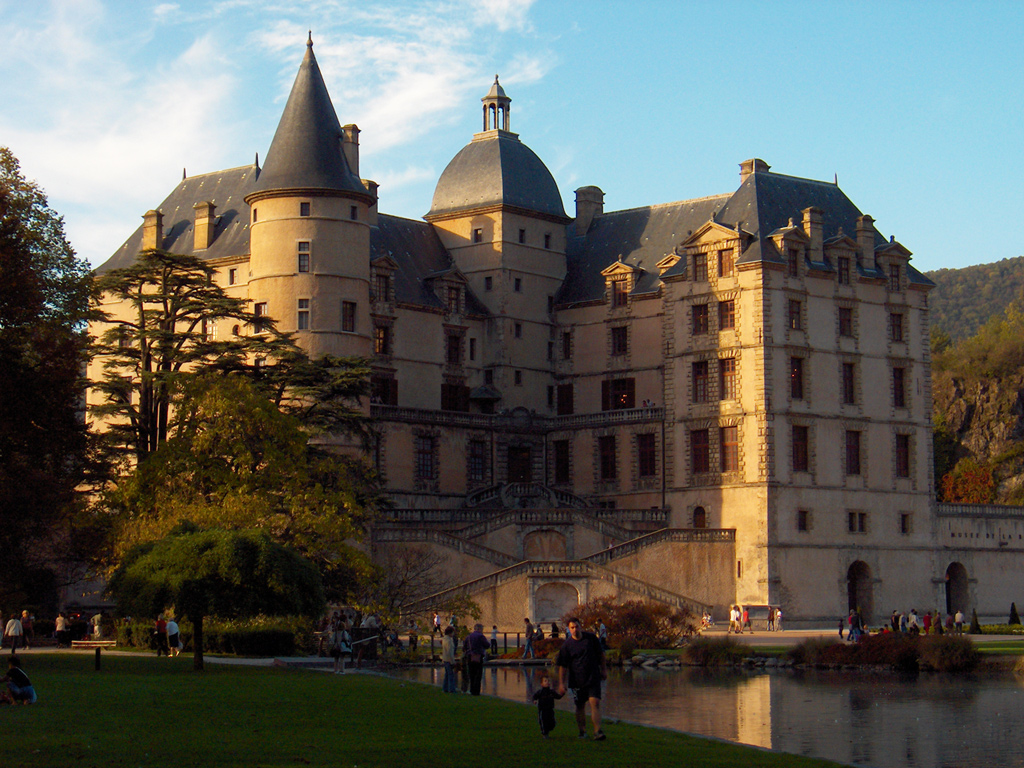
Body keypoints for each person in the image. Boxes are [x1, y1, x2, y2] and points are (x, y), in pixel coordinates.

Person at [556, 616, 608, 741]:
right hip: (577, 679)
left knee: (595, 702)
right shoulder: (567, 645)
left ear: (581, 626)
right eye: (572, 628)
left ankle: (597, 731)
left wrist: (604, 670)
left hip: (593, 676)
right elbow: (563, 666)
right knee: (580, 706)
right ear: (569, 629)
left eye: (577, 626)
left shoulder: (590, 639)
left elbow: (601, 655)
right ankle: (582, 731)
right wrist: (561, 683)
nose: (575, 629)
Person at [463, 623, 490, 696]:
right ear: (480, 629)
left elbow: (464, 646)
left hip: (470, 656)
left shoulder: (468, 636)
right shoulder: (481, 636)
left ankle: (471, 689)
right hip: (478, 656)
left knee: (471, 674)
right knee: (478, 674)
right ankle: (476, 691)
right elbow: (487, 645)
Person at [441, 626, 458, 693]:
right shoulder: (449, 641)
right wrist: (453, 661)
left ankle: (445, 688)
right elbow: (450, 652)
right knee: (451, 675)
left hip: (445, 659)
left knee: (447, 675)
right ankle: (452, 689)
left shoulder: (444, 639)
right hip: (449, 660)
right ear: (450, 633)